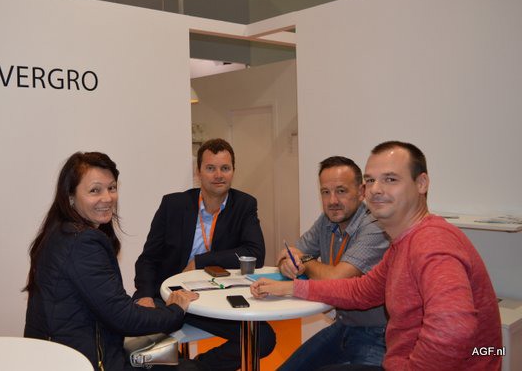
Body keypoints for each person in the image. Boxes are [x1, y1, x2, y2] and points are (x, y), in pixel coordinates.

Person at [252, 141, 503, 371]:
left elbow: (453, 328)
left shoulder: (432, 242)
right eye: (370, 180)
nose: (375, 190)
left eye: (390, 179)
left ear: (422, 183)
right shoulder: (403, 243)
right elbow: (360, 291)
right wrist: (291, 288)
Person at [23, 152, 200, 370]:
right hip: (86, 361)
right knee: (187, 366)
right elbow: (124, 318)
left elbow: (108, 305)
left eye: (112, 188)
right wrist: (175, 310)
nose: (107, 198)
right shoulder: (82, 242)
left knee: (174, 357)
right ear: (70, 196)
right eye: (95, 190)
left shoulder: (60, 232)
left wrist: (142, 308)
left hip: (64, 354)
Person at [133, 138, 276, 371]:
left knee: (263, 339)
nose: (218, 175)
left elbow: (255, 253)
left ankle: (198, 367)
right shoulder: (173, 204)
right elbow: (148, 258)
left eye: (225, 168)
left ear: (233, 171)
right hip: (168, 296)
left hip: (215, 300)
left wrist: (201, 261)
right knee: (142, 352)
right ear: (198, 172)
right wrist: (145, 296)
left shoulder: (244, 205)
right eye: (210, 168)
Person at [278, 156, 389, 370]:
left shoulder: (375, 225)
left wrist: (305, 261)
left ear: (361, 191)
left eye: (341, 191)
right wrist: (286, 262)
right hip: (343, 325)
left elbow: (337, 278)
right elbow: (288, 252)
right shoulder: (327, 219)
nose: (332, 201)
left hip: (377, 334)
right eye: (325, 192)